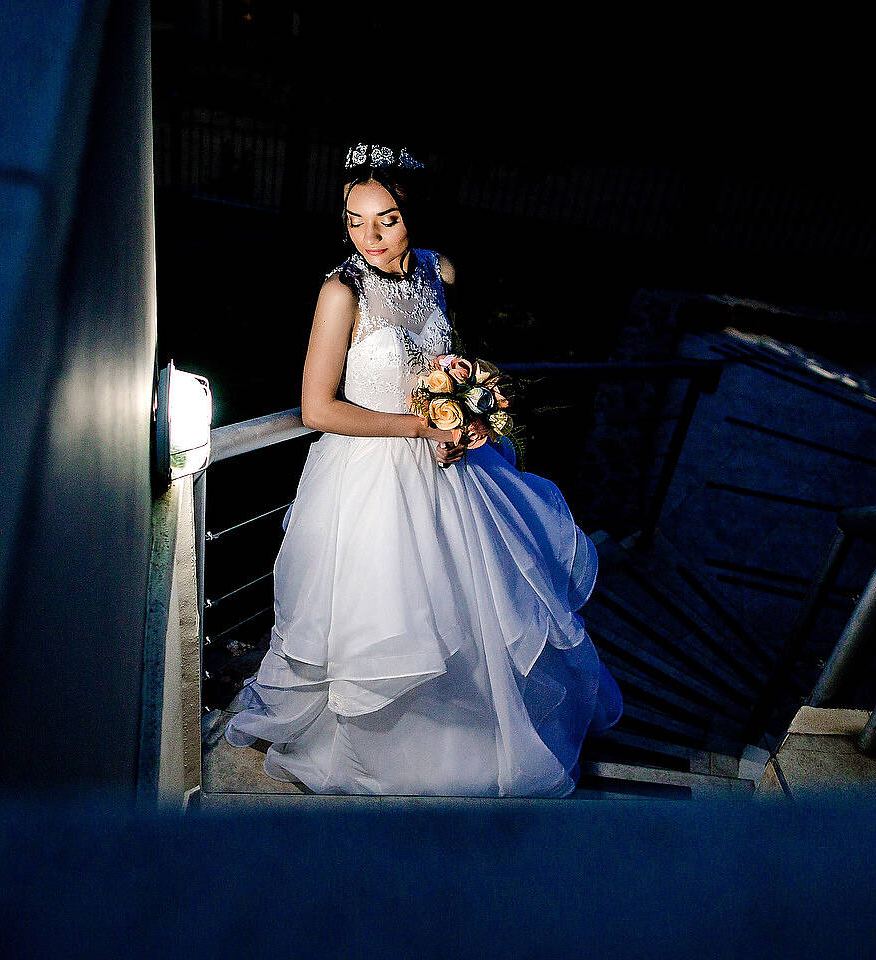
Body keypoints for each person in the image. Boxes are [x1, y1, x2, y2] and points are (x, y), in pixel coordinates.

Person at [222, 142, 623, 797]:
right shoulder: (340, 291)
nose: (369, 235)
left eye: (386, 219)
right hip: (372, 475)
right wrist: (420, 424)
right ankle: (371, 748)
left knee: (473, 611)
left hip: (452, 468)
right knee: (386, 620)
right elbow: (318, 408)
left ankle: (474, 738)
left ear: (415, 215)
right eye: (354, 218)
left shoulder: (440, 273)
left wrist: (464, 409)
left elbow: (439, 363)